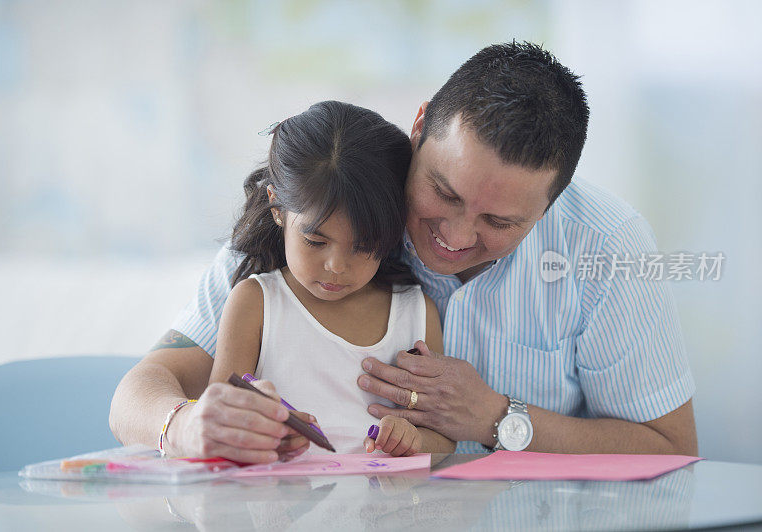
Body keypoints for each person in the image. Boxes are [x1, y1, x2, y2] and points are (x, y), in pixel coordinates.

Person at [110, 42, 697, 459]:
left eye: (500, 221)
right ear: (420, 127)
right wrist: (183, 425)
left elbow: (672, 448)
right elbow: (140, 390)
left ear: (551, 207)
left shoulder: (604, 246)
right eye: (443, 192)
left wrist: (497, 419)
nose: (458, 237)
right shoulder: (342, 204)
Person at [111, 101, 453, 462]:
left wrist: (411, 440)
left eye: (364, 247)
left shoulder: (416, 311)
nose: (336, 266)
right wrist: (258, 431)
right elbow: (223, 419)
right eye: (315, 241)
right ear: (277, 208)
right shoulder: (252, 301)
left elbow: (442, 438)